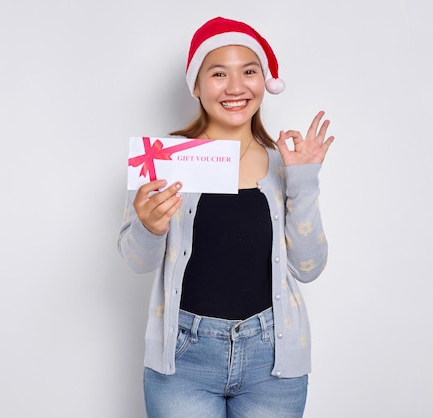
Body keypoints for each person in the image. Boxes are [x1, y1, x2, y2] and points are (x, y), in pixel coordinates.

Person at [118, 16, 334, 418]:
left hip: (273, 362)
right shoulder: (164, 161)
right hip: (183, 360)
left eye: (249, 71)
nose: (236, 87)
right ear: (196, 86)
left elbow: (308, 267)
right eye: (219, 73)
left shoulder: (284, 165)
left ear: (264, 81)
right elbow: (135, 261)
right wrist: (150, 225)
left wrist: (304, 181)